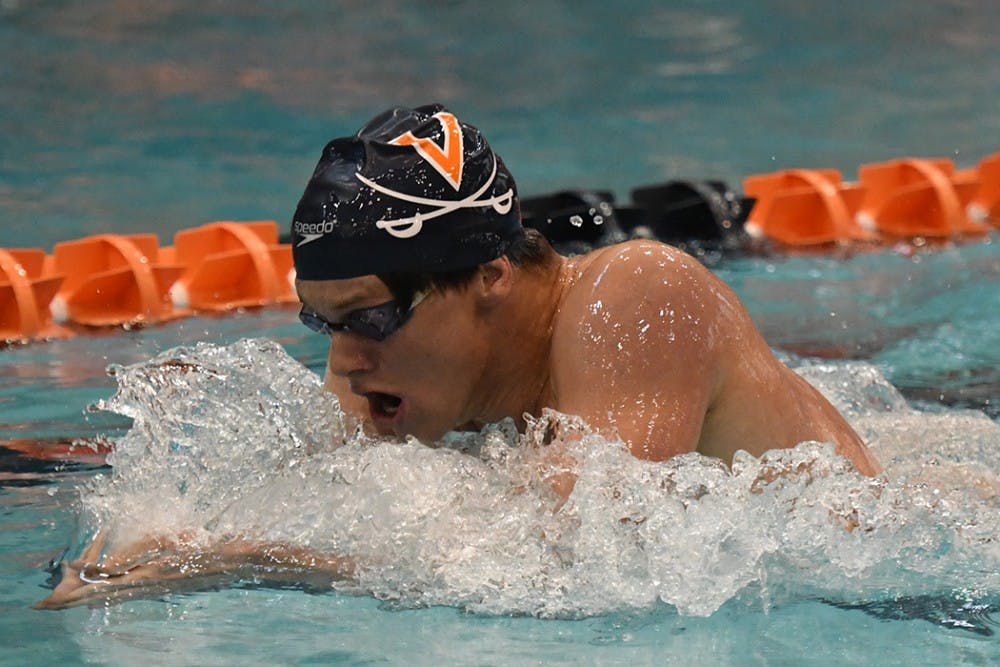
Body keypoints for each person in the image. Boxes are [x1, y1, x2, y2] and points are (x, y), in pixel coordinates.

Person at [36, 104, 878, 610]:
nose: (346, 362)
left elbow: (586, 568)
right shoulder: (387, 370)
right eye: (324, 323)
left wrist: (240, 559)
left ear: (489, 274)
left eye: (371, 317)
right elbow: (324, 501)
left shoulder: (634, 296)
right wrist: (149, 539)